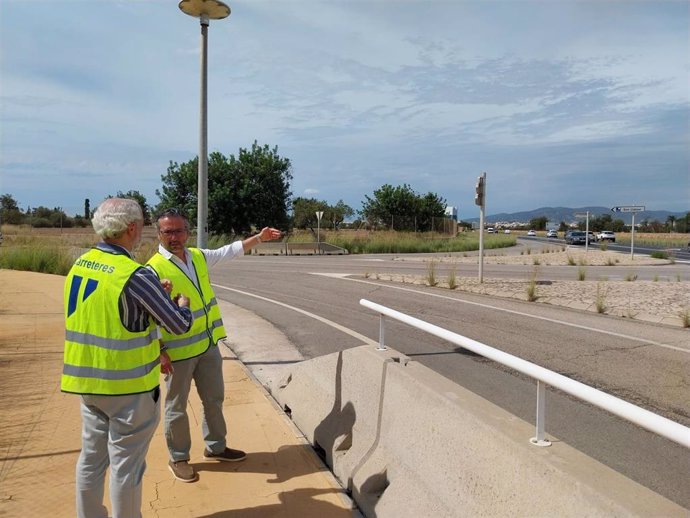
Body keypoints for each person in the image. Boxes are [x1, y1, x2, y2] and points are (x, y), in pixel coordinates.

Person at [61, 198, 194, 518]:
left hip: (88, 384)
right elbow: (177, 324)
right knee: (126, 468)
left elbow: (106, 313)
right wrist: (181, 302)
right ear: (132, 228)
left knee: (91, 461)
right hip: (129, 389)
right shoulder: (134, 274)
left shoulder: (81, 264)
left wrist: (150, 298)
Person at [146, 208, 282, 483]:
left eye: (179, 230)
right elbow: (149, 318)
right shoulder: (152, 270)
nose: (175, 236)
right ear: (158, 234)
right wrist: (159, 351)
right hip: (178, 353)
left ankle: (216, 447)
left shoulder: (196, 257)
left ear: (188, 231)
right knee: (177, 406)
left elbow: (228, 251)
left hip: (207, 346)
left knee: (214, 400)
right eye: (168, 231)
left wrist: (258, 238)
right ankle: (179, 457)